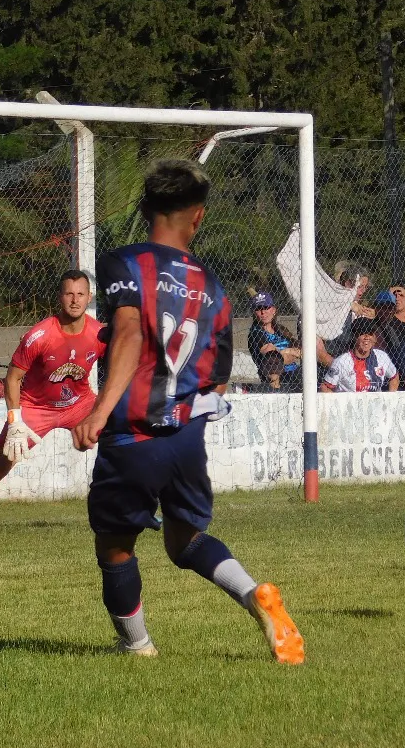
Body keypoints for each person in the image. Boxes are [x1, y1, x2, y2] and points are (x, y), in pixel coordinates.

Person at [72, 160, 304, 664]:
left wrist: (99, 409)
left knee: (114, 546)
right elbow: (218, 374)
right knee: (184, 541)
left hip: (132, 435)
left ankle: (137, 647)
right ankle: (252, 594)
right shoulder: (214, 286)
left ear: (145, 208)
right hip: (185, 439)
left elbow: (130, 333)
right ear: (197, 218)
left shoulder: (123, 262)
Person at [0, 270, 106, 532]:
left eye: (80, 294)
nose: (75, 300)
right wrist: (15, 421)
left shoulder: (100, 333)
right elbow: (12, 379)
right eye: (69, 294)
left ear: (89, 297)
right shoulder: (40, 335)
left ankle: (139, 509)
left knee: (125, 443)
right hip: (36, 408)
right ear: (60, 298)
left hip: (80, 405)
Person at [321, 318, 398, 392]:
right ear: (354, 336)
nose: (367, 337)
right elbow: (325, 387)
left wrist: (390, 400)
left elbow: (394, 377)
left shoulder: (382, 356)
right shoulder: (341, 361)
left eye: (370, 333)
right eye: (362, 333)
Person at [246, 292, 301, 391]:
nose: (263, 312)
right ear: (254, 312)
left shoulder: (281, 330)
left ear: (274, 310)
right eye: (258, 309)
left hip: (295, 375)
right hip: (275, 380)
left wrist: (282, 353)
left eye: (266, 307)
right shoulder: (256, 334)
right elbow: (273, 361)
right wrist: (290, 351)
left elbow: (300, 350)